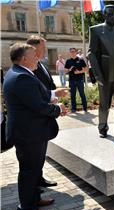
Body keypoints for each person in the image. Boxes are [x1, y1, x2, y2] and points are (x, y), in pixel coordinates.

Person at [3, 43, 66, 210]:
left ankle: (34, 200)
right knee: (29, 172)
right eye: (34, 55)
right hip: (28, 134)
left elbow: (39, 96)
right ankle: (27, 209)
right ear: (24, 59)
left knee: (33, 170)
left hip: (30, 132)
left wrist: (53, 98)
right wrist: (58, 110)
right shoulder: (21, 77)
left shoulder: (21, 73)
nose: (38, 58)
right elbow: (38, 106)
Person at [88, 4, 114, 138]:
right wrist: (97, 75)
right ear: (104, 15)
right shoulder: (96, 30)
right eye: (111, 14)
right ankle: (102, 128)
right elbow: (92, 54)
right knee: (104, 104)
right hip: (105, 74)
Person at [26, 35, 60, 188]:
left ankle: (38, 178)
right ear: (34, 48)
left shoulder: (42, 64)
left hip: (46, 113)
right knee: (33, 155)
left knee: (41, 152)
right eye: (43, 48)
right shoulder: (28, 70)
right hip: (37, 117)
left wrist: (55, 96)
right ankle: (35, 184)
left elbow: (49, 84)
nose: (45, 50)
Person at [64, 48, 88, 113]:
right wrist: (69, 69)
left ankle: (85, 108)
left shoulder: (80, 60)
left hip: (79, 80)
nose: (72, 53)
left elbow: (86, 69)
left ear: (76, 52)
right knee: (72, 95)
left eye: (73, 51)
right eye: (71, 52)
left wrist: (79, 72)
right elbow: (65, 71)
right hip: (71, 81)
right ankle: (74, 109)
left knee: (82, 94)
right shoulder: (68, 61)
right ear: (70, 53)